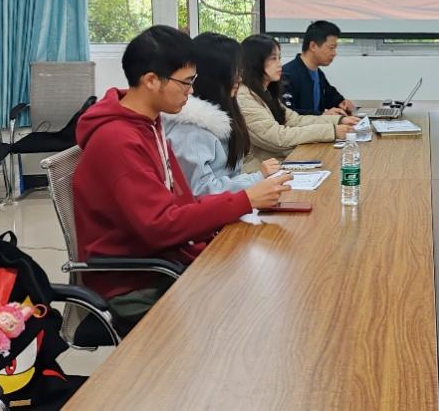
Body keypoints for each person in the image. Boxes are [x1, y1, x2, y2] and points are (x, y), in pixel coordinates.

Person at [73, 25, 291, 333]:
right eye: (186, 82)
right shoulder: (118, 140)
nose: (191, 91)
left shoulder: (149, 124)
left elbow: (183, 200)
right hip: (138, 281)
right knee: (253, 309)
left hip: (167, 258)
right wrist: (245, 199)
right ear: (151, 80)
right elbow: (160, 225)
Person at [163, 32, 281, 196]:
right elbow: (201, 192)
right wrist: (257, 177)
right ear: (213, 76)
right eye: (233, 71)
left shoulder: (225, 113)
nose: (239, 78)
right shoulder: (191, 130)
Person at [238, 34, 358, 171]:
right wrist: (332, 131)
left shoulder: (266, 92)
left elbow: (296, 120)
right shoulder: (245, 97)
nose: (279, 64)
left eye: (279, 58)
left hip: (280, 163)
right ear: (255, 62)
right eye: (273, 59)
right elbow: (278, 138)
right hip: (259, 172)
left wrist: (339, 120)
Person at [281, 20, 354, 116]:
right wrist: (322, 115)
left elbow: (330, 96)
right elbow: (287, 114)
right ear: (313, 46)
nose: (334, 53)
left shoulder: (317, 73)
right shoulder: (287, 75)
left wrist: (341, 103)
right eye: (331, 48)